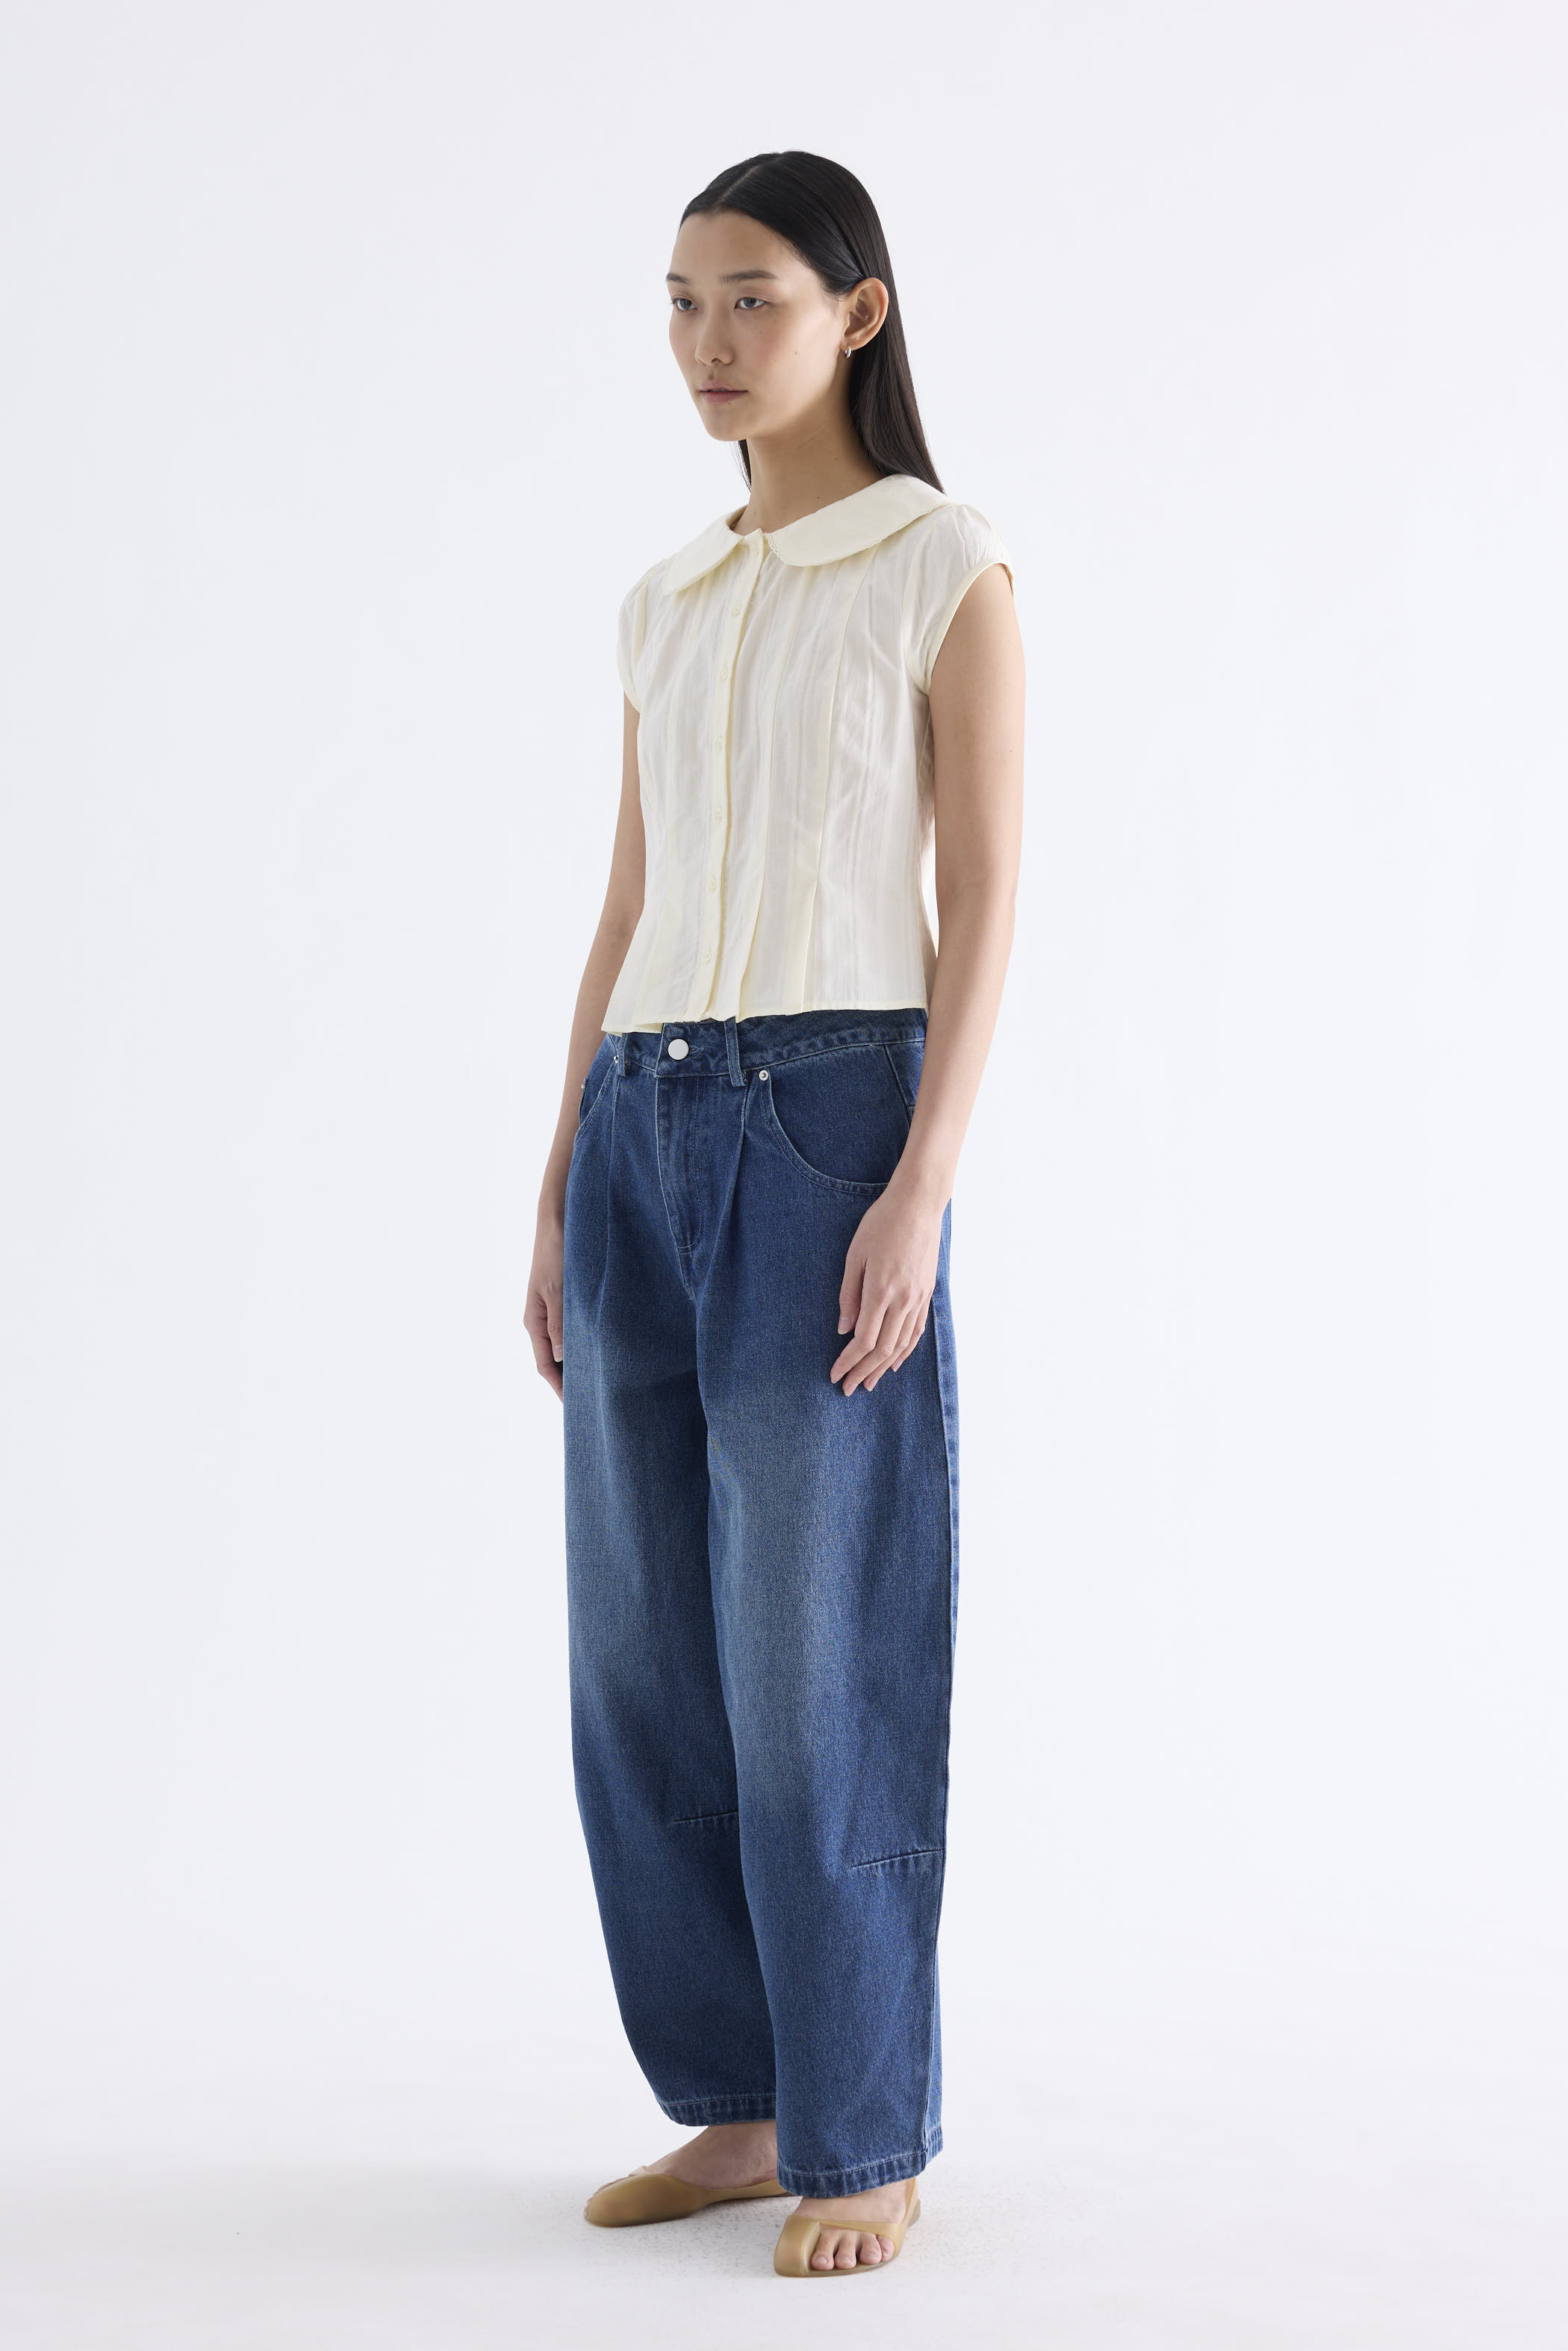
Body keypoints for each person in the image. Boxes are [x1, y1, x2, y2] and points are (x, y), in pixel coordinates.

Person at [525, 149, 1025, 2279]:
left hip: (829, 1122)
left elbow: (981, 898)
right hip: (640, 1121)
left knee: (816, 1648)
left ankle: (864, 2127)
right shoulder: (668, 598)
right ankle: (737, 2103)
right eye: (679, 302)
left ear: (857, 313)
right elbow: (626, 902)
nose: (708, 344)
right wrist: (559, 1173)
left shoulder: (941, 563)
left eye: (751, 298)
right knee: (641, 1654)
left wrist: (922, 1181)